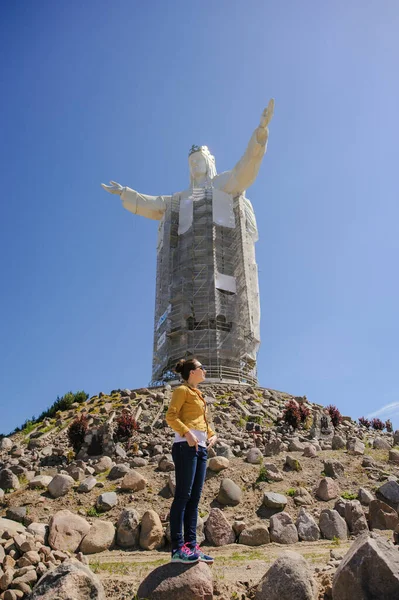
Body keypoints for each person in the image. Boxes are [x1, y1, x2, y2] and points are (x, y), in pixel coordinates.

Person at [165, 357, 218, 564]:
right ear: (191, 372)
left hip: (201, 447)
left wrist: (213, 434)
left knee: (194, 499)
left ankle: (191, 546)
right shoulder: (182, 391)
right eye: (201, 367)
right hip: (185, 446)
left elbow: (202, 421)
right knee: (183, 496)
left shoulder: (199, 394)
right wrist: (186, 433)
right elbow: (171, 416)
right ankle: (178, 549)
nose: (204, 369)